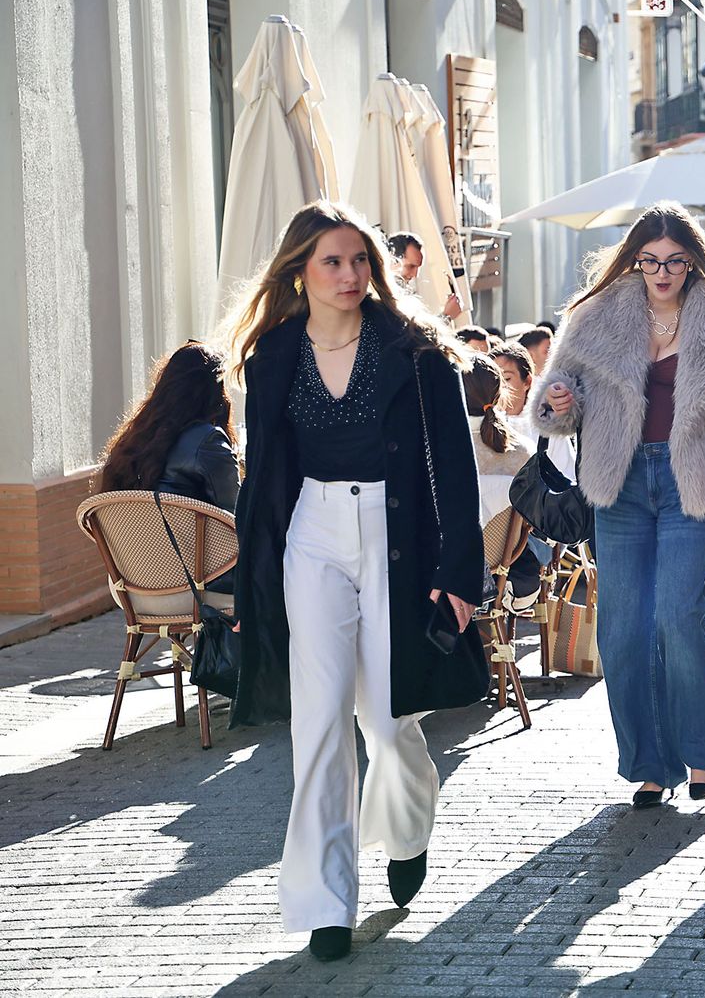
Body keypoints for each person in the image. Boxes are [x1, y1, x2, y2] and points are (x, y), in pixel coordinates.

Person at [224, 200, 485, 962]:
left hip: (395, 536)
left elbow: (454, 469)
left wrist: (459, 571)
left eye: (359, 260)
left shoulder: (414, 350)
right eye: (332, 261)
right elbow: (263, 477)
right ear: (299, 270)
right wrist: (252, 588)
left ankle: (406, 828)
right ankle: (327, 902)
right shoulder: (271, 356)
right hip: (312, 536)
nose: (349, 274)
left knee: (390, 718)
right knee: (320, 723)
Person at [532, 201, 705, 808]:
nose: (661, 273)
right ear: (632, 262)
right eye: (649, 261)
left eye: (675, 262)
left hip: (693, 479)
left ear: (694, 264)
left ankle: (704, 753)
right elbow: (556, 405)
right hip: (622, 481)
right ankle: (649, 764)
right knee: (621, 634)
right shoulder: (593, 318)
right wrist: (558, 399)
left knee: (677, 616)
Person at [97, 341, 242, 609]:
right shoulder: (207, 440)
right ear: (214, 391)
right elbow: (236, 515)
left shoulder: (134, 439)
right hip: (194, 585)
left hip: (131, 586)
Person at [462, 351, 533, 525]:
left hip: (453, 550)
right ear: (499, 393)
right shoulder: (525, 451)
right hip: (513, 551)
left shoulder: (435, 453)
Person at [389, 230, 463, 321]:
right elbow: (411, 334)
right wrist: (446, 316)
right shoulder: (384, 296)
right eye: (411, 266)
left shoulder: (401, 294)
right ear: (392, 261)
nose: (415, 275)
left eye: (418, 267)